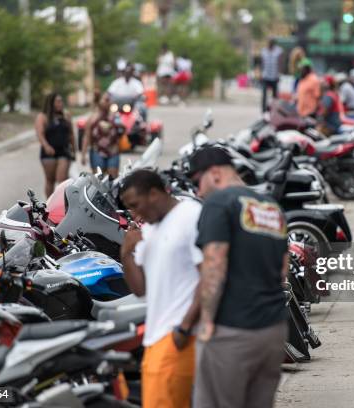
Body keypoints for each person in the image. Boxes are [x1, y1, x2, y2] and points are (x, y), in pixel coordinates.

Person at [188, 147, 288, 408]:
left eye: (198, 182)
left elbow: (214, 263)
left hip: (232, 331)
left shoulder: (219, 202)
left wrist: (207, 323)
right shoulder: (270, 206)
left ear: (215, 173)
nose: (198, 191)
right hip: (273, 332)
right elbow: (283, 271)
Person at [119, 169, 202, 408]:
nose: (134, 213)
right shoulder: (150, 228)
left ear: (154, 194)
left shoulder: (190, 215)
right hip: (156, 337)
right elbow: (140, 289)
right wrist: (126, 253)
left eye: (136, 205)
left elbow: (209, 276)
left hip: (178, 335)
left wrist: (185, 327)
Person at [35, 92, 76, 198]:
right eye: (58, 101)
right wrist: (46, 146)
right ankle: (49, 206)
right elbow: (40, 134)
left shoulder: (66, 115)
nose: (60, 103)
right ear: (51, 103)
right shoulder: (42, 117)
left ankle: (61, 205)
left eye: (61, 101)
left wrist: (74, 149)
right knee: (50, 180)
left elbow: (71, 134)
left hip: (64, 151)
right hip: (48, 153)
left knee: (62, 180)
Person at [81, 92, 120, 178]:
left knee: (112, 180)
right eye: (105, 100)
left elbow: (121, 133)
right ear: (99, 101)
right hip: (97, 152)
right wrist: (83, 155)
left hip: (113, 152)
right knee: (99, 180)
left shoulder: (115, 117)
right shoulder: (92, 118)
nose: (108, 102)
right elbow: (86, 136)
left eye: (109, 100)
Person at [260, 38, 283, 112]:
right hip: (265, 76)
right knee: (264, 94)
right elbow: (262, 63)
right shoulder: (263, 51)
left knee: (275, 96)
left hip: (275, 76)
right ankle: (263, 110)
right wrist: (261, 73)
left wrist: (279, 74)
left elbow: (280, 63)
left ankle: (274, 110)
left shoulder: (278, 51)